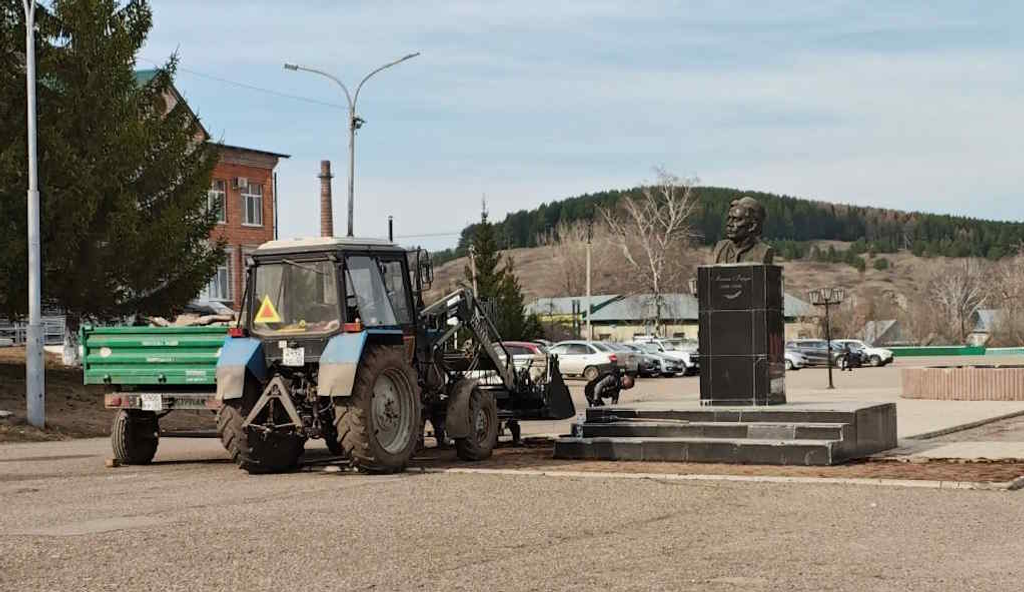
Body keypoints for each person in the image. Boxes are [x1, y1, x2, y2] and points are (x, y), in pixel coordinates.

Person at [712, 196, 775, 264]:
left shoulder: (763, 251)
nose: (729, 224)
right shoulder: (721, 247)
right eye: (729, 218)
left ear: (752, 226)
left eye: (736, 219)